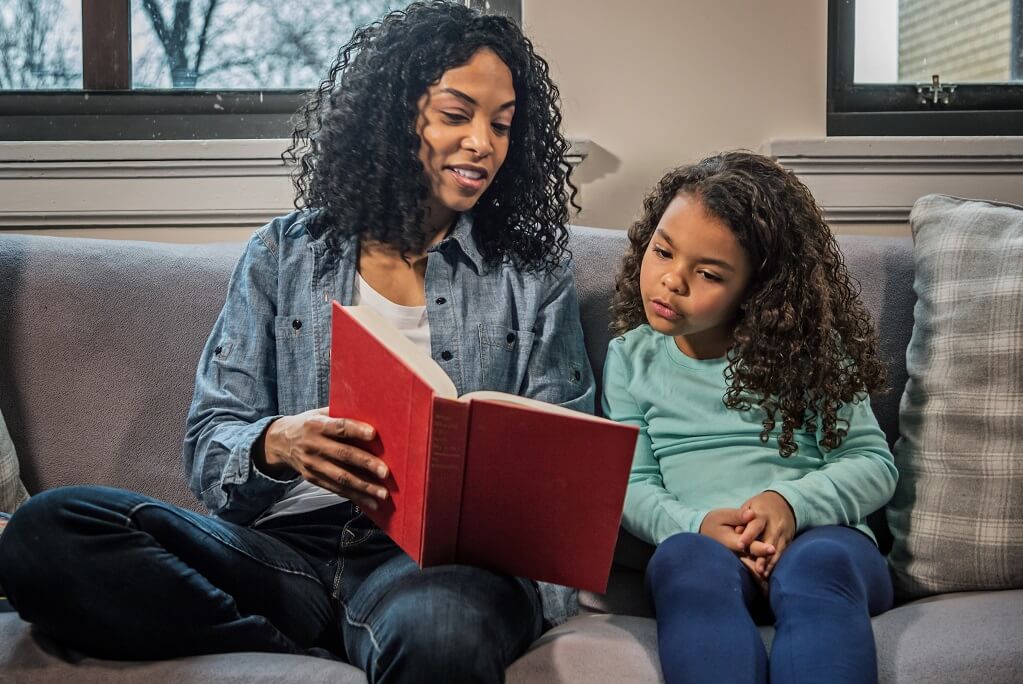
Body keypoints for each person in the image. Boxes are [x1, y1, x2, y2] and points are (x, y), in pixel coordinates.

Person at [0, 3, 594, 681]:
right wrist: (277, 443)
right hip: (282, 551)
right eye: (456, 115)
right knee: (50, 531)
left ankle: (342, 636)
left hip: (435, 568)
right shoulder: (285, 253)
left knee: (442, 639)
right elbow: (209, 442)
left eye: (502, 124)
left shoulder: (530, 274)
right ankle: (313, 644)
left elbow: (565, 471)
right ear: (395, 117)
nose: (483, 143)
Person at [603, 151, 898, 684]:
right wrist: (696, 525)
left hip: (822, 543)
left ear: (757, 290)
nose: (671, 281)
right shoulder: (629, 358)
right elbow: (631, 483)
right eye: (662, 251)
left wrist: (788, 505)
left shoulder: (811, 351)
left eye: (708, 273)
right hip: (704, 550)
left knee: (818, 566)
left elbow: (872, 462)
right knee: (682, 563)